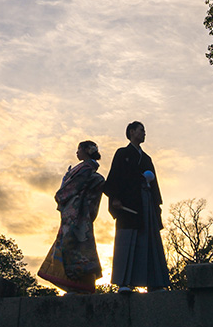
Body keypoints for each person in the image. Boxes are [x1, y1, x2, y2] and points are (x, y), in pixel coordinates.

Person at [103, 121, 169, 292]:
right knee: (127, 241)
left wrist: (156, 207)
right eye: (141, 130)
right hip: (128, 203)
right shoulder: (122, 153)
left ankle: (154, 283)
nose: (144, 133)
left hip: (146, 201)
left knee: (149, 240)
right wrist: (115, 198)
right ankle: (124, 283)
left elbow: (155, 185)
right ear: (131, 132)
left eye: (144, 130)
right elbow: (114, 177)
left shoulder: (147, 158)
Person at [37, 140, 106, 294]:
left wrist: (61, 194)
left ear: (86, 150)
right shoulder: (89, 169)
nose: (76, 152)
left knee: (71, 245)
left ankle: (76, 284)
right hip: (80, 213)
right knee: (79, 245)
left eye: (79, 149)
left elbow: (72, 187)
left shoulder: (86, 168)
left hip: (76, 214)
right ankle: (81, 285)